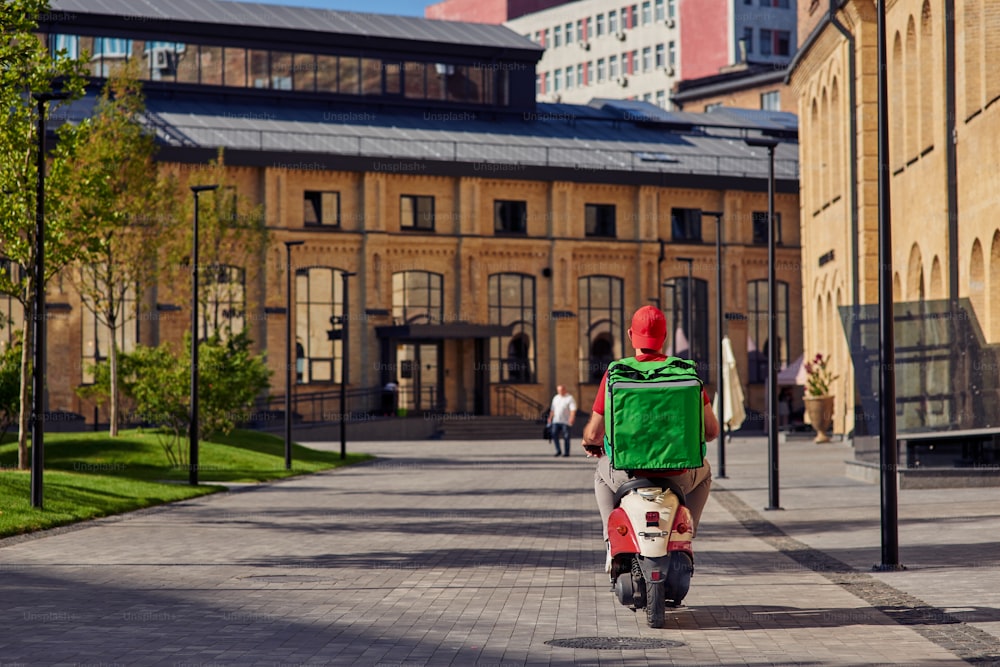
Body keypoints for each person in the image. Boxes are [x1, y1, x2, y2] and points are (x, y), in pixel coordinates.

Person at [582, 305, 720, 570]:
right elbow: (712, 431)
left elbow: (595, 433)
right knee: (705, 470)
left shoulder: (616, 373)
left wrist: (590, 441)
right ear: (664, 336)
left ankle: (612, 540)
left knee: (601, 474)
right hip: (678, 474)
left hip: (628, 473)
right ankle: (684, 534)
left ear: (631, 335)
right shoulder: (686, 372)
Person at [547, 385, 577, 457]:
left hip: (565, 421)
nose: (560, 391)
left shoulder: (569, 398)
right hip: (556, 420)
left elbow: (573, 409)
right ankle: (558, 451)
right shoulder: (556, 398)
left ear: (564, 390)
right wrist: (550, 417)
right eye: (558, 390)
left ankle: (566, 452)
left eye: (561, 390)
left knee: (566, 436)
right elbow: (552, 409)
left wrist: (572, 417)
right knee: (554, 434)